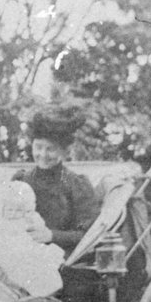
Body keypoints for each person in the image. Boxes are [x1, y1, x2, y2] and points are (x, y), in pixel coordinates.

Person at [12, 105, 100, 253]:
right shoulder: (21, 181)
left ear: (64, 151)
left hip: (62, 260)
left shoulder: (77, 185)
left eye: (50, 149)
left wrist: (52, 235)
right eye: (38, 147)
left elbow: (88, 234)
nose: (43, 154)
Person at [0, 181, 64, 296]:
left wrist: (33, 221)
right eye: (9, 210)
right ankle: (23, 291)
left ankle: (45, 289)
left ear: (24, 210)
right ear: (2, 209)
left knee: (37, 265)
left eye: (18, 210)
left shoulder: (25, 220)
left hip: (22, 249)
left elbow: (39, 226)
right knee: (15, 269)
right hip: (2, 250)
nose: (13, 214)